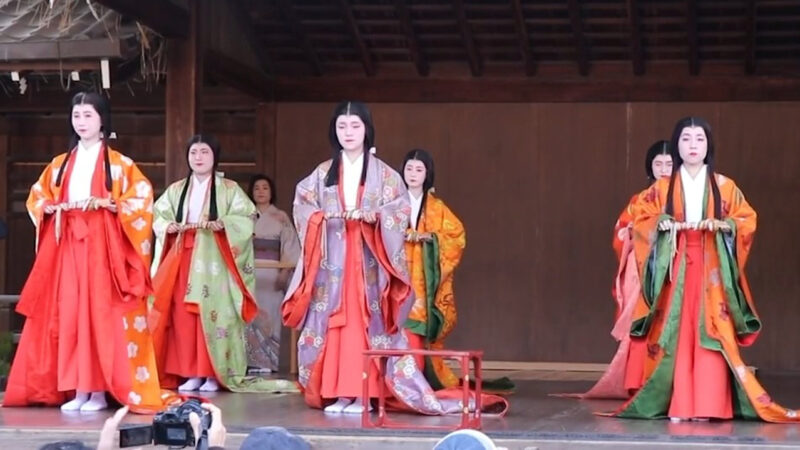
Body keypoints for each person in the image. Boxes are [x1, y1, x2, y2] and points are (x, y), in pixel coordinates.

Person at [282, 101, 508, 416]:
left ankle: (364, 394)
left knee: (366, 322)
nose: (348, 132)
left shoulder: (386, 175)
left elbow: (399, 210)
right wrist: (321, 216)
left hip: (370, 264)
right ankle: (338, 392)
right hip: (333, 263)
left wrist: (375, 216)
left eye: (355, 126)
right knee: (334, 322)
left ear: (367, 129)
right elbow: (302, 204)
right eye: (342, 126)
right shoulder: (321, 174)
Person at [613, 117, 800, 422]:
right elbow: (641, 218)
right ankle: (679, 405)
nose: (693, 146)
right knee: (676, 330)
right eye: (686, 139)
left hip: (712, 265)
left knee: (714, 331)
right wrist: (661, 223)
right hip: (675, 264)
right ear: (677, 145)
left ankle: (710, 406)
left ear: (708, 145)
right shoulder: (662, 187)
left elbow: (746, 219)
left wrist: (723, 225)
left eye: (699, 139)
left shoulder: (725, 186)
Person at [4, 91, 162, 412]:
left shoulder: (120, 165)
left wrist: (111, 204)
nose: (81, 122)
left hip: (103, 248)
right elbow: (36, 197)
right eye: (76, 116)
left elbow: (142, 199)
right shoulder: (59, 164)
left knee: (98, 316)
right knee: (70, 315)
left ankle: (100, 390)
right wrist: (52, 206)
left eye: (88, 115)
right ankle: (77, 388)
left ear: (102, 119)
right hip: (68, 245)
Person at [149, 135, 296, 394]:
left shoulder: (228, 189)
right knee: (184, 316)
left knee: (213, 315)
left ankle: (212, 374)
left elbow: (246, 216)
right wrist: (168, 225)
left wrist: (224, 223)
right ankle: (191, 372)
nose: (198, 157)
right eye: (194, 152)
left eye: (204, 152)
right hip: (183, 257)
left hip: (215, 261)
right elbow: (159, 215)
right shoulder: (176, 189)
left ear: (214, 157)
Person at [567, 141, 672, 400]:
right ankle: (639, 382)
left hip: (675, 271)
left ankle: (672, 386)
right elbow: (621, 230)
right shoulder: (640, 200)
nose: (663, 169)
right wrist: (629, 234)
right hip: (644, 274)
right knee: (642, 326)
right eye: (658, 164)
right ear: (650, 167)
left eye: (669, 164)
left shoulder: (686, 197)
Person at [400, 149, 465, 389]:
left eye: (419, 169)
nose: (413, 174)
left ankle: (420, 379)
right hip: (397, 272)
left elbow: (456, 236)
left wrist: (432, 239)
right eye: (409, 168)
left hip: (423, 278)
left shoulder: (437, 207)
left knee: (419, 328)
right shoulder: (394, 202)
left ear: (427, 174)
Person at [245, 174, 300, 373]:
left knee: (270, 318)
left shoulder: (281, 217)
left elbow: (291, 247)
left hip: (272, 275)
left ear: (271, 192)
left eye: (265, 188)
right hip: (249, 275)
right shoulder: (244, 216)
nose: (260, 191)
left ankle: (268, 363)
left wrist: (285, 272)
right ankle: (249, 362)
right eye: (257, 187)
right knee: (249, 318)